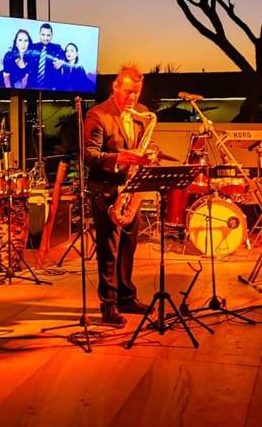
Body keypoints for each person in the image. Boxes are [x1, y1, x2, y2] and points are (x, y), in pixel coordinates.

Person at [83, 65, 155, 327]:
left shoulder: (143, 114)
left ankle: (127, 296)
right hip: (107, 191)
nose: (132, 98)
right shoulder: (97, 115)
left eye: (136, 93)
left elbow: (148, 142)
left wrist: (151, 154)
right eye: (127, 92)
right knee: (109, 252)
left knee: (128, 248)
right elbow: (89, 156)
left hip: (130, 190)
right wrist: (122, 157)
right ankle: (108, 306)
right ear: (115, 88)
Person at [27, 23, 65, 90]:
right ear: (39, 34)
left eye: (48, 35)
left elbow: (67, 60)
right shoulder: (33, 47)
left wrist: (62, 62)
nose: (45, 38)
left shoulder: (57, 48)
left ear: (52, 35)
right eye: (43, 35)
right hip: (32, 88)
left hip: (51, 89)